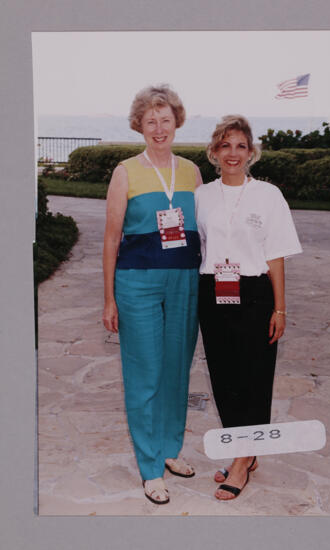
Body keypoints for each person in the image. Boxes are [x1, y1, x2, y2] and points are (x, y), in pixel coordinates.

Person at [102, 84, 202, 505]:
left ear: (176, 122)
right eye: (150, 121)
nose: (159, 128)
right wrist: (109, 298)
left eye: (165, 120)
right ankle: (149, 467)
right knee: (145, 373)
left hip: (185, 280)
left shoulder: (194, 171)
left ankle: (170, 451)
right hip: (138, 282)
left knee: (177, 370)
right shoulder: (126, 171)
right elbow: (110, 239)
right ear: (139, 126)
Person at [195, 115, 302, 500]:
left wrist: (281, 308)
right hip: (213, 292)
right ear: (214, 152)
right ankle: (246, 450)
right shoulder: (202, 196)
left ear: (251, 151)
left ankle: (242, 462)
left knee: (255, 378)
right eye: (225, 145)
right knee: (225, 380)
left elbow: (276, 256)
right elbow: (199, 248)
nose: (233, 153)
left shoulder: (268, 196)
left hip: (255, 294)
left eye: (240, 145)